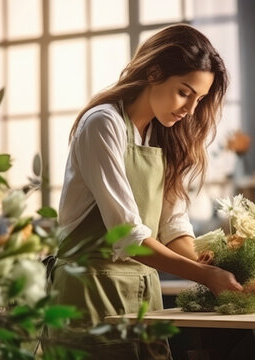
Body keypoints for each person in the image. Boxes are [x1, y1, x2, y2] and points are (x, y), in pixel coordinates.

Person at [48, 24, 243, 358]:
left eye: (198, 100)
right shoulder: (102, 125)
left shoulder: (165, 136)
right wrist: (208, 276)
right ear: (154, 72)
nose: (190, 109)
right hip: (89, 295)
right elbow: (128, 237)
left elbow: (173, 226)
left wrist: (223, 276)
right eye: (185, 92)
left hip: (142, 296)